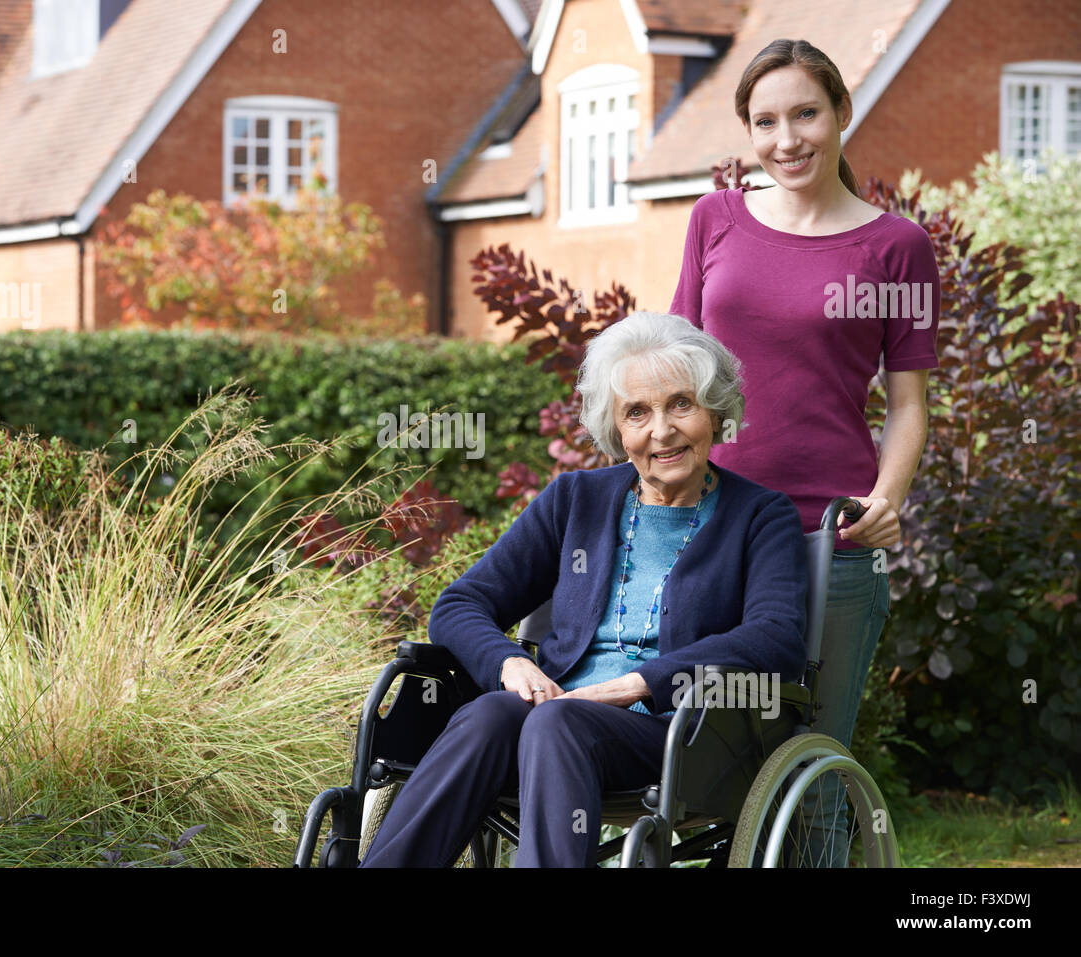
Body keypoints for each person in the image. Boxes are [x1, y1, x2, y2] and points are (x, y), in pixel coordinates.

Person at [360, 311, 808, 867]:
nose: (661, 431)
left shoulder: (761, 516)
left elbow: (776, 639)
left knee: (557, 719)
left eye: (681, 404)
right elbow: (460, 604)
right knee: (490, 715)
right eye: (637, 412)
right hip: (554, 719)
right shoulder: (577, 499)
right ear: (617, 430)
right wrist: (510, 665)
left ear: (715, 412)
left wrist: (636, 684)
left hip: (682, 737)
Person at [669, 38, 939, 864]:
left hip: (833, 535)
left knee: (813, 770)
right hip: (709, 527)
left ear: (842, 114)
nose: (787, 139)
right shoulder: (715, 219)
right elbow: (674, 366)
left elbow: (907, 404)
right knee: (694, 752)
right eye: (765, 121)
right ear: (748, 132)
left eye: (805, 114)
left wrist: (887, 497)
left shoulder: (896, 248)